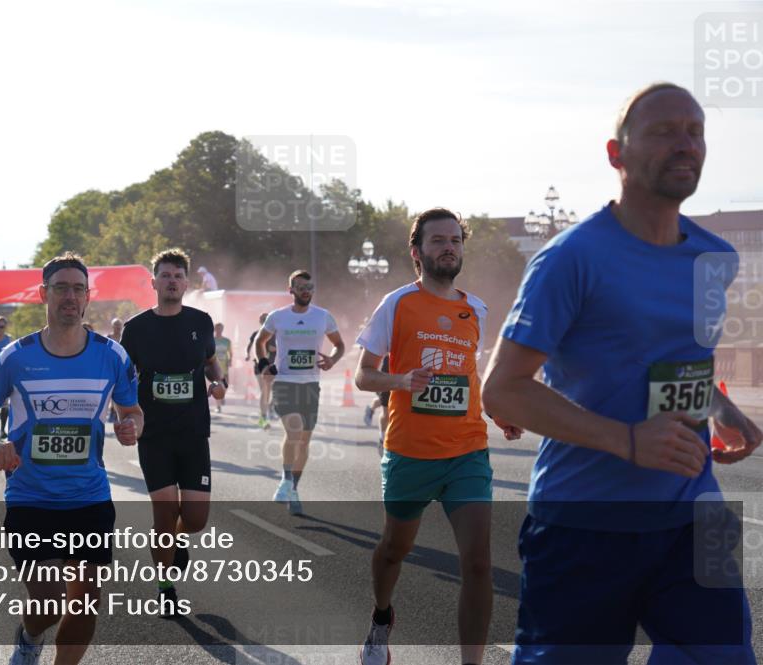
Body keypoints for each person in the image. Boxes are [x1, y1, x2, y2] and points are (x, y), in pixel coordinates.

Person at [482, 83, 761, 664]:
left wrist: (722, 409)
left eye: (695, 131)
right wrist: (627, 440)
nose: (685, 144)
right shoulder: (572, 258)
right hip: (585, 526)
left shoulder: (716, 258)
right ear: (617, 155)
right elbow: (502, 391)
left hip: (690, 516)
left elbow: (675, 358)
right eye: (663, 131)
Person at [355, 208, 520, 665]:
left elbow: (471, 378)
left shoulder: (477, 310)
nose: (449, 247)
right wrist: (402, 381)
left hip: (467, 450)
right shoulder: (397, 304)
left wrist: (498, 412)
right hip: (409, 452)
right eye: (438, 241)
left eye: (455, 240)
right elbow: (363, 377)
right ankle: (381, 618)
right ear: (417, 252)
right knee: (394, 551)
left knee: (479, 562)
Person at [0, 252, 142, 665]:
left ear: (88, 297)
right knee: (48, 600)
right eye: (61, 287)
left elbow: (132, 410)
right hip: (31, 498)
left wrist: (132, 426)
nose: (70, 296)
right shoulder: (16, 355)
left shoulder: (112, 356)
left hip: (89, 496)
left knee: (84, 603)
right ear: (44, 294)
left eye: (78, 288)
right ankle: (29, 637)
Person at [120, 248, 226, 616]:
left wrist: (218, 381)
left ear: (186, 283)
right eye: (165, 275)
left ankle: (177, 540)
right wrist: (124, 415)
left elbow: (211, 362)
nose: (172, 281)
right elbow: (122, 378)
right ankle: (165, 586)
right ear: (153, 282)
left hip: (193, 433)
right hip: (155, 436)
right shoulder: (135, 329)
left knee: (195, 520)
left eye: (178, 276)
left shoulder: (201, 321)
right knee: (164, 515)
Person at [255, 270, 345, 515]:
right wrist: (265, 365)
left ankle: (292, 488)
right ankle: (285, 480)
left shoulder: (323, 317)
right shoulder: (278, 317)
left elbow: (340, 345)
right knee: (293, 429)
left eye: (309, 286)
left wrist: (332, 360)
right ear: (291, 290)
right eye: (300, 286)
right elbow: (260, 342)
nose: (306, 290)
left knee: (304, 441)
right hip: (285, 382)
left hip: (311, 385)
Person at [246, 313, 277, 429]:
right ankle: (263, 417)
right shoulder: (256, 334)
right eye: (263, 320)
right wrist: (247, 355)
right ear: (260, 321)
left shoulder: (275, 333)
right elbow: (250, 346)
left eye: (267, 319)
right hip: (260, 366)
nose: (265, 322)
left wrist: (276, 349)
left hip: (274, 365)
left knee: (276, 391)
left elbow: (284, 347)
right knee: (265, 390)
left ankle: (270, 407)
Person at [212, 322, 232, 413]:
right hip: (215, 368)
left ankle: (222, 396)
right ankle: (218, 406)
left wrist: (230, 360)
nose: (219, 331)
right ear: (215, 330)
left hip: (225, 367)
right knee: (217, 386)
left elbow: (230, 353)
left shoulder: (227, 341)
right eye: (217, 329)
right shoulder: (211, 340)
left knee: (226, 384)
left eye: (221, 329)